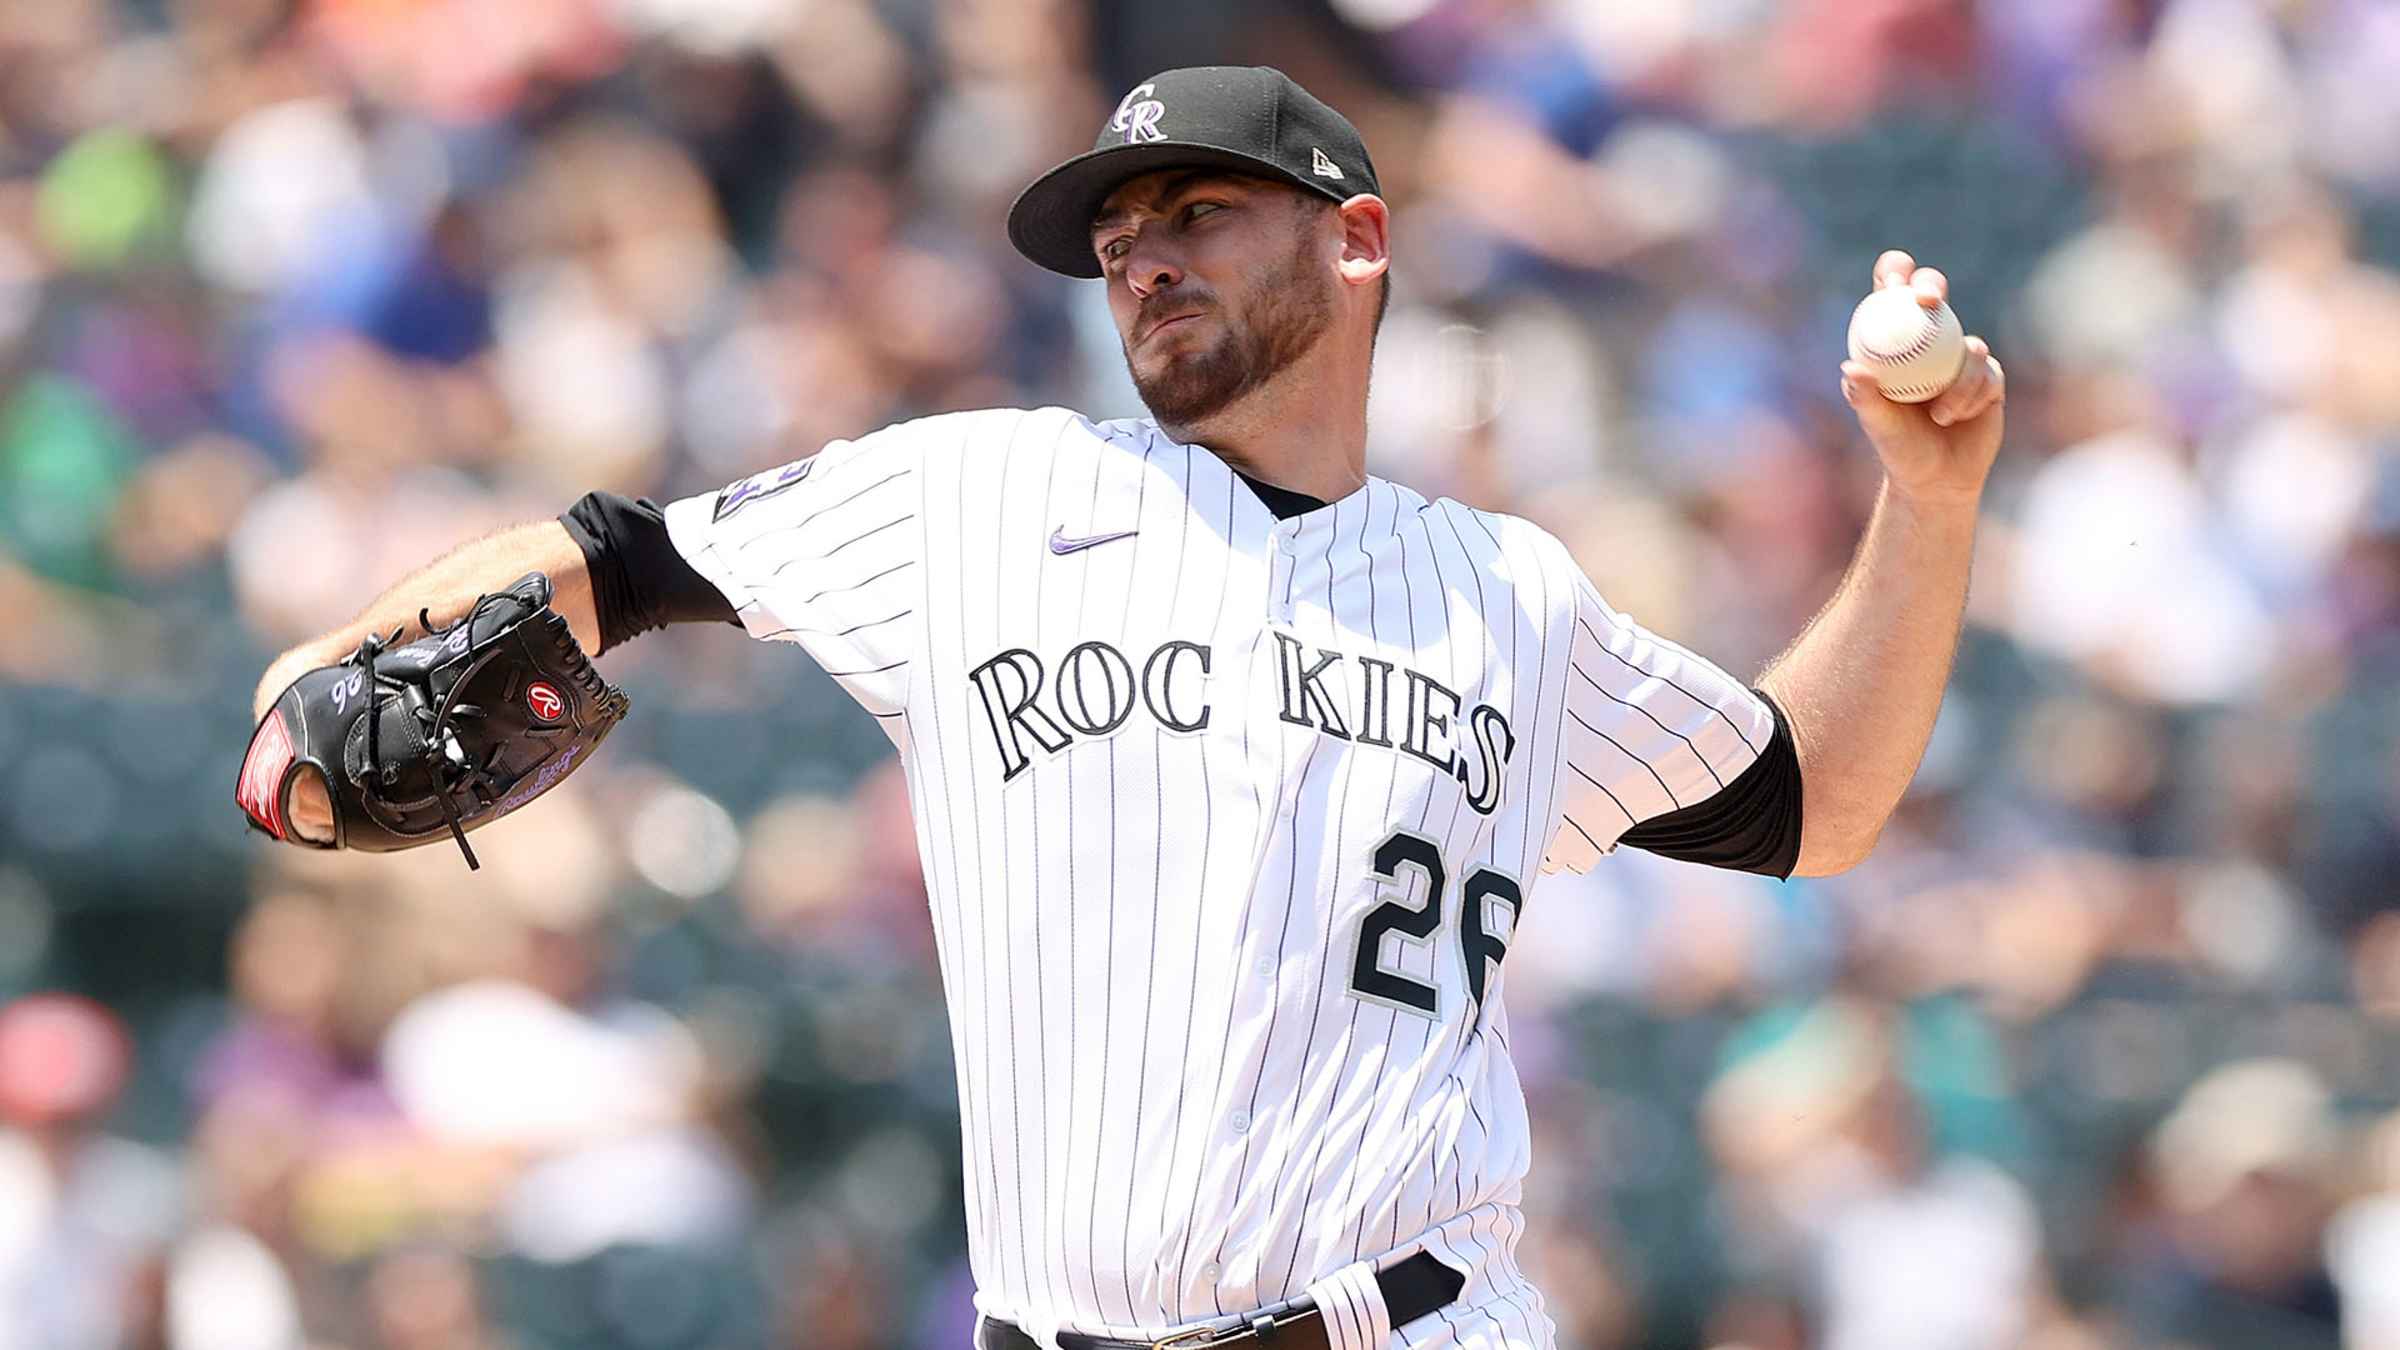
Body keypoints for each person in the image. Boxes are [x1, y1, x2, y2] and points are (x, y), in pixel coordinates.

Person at [247, 66, 2004, 1350]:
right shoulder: (980, 497)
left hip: (1413, 1322)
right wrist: (322, 663)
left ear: (1359, 241)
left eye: (1198, 214)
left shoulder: (1513, 598)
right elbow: (606, 559)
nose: (1142, 257)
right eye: (1118, 234)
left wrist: (1925, 506)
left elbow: (1816, 799)